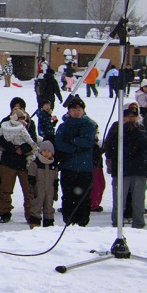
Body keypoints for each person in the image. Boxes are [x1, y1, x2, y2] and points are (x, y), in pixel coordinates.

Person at [55, 96, 98, 227]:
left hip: (85, 168)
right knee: (68, 195)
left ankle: (82, 221)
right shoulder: (63, 126)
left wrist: (72, 140)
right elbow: (59, 143)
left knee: (84, 196)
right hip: (68, 166)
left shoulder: (90, 124)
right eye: (73, 109)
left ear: (83, 110)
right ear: (69, 111)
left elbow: (88, 142)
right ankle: (69, 220)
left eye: (79, 109)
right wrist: (75, 147)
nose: (76, 112)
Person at [103, 107, 147, 229]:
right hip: (121, 170)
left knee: (138, 201)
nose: (131, 119)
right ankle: (117, 223)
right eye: (128, 116)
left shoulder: (141, 130)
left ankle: (139, 224)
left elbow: (144, 146)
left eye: (133, 116)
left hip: (139, 170)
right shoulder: (117, 129)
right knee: (119, 200)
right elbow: (110, 147)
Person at [0, 110, 40, 224]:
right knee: (5, 190)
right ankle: (5, 213)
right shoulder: (5, 127)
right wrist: (14, 148)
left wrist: (22, 149)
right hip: (8, 163)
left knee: (28, 191)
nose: (22, 120)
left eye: (24, 118)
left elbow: (32, 143)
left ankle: (30, 214)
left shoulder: (29, 128)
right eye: (20, 118)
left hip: (25, 164)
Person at [26, 140, 59, 228]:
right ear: (40, 152)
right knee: (36, 207)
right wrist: (31, 189)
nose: (46, 153)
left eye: (49, 151)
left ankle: (49, 226)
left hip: (50, 190)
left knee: (49, 207)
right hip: (38, 189)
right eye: (44, 151)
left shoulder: (54, 165)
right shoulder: (35, 164)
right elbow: (31, 178)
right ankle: (35, 225)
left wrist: (55, 191)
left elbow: (56, 180)